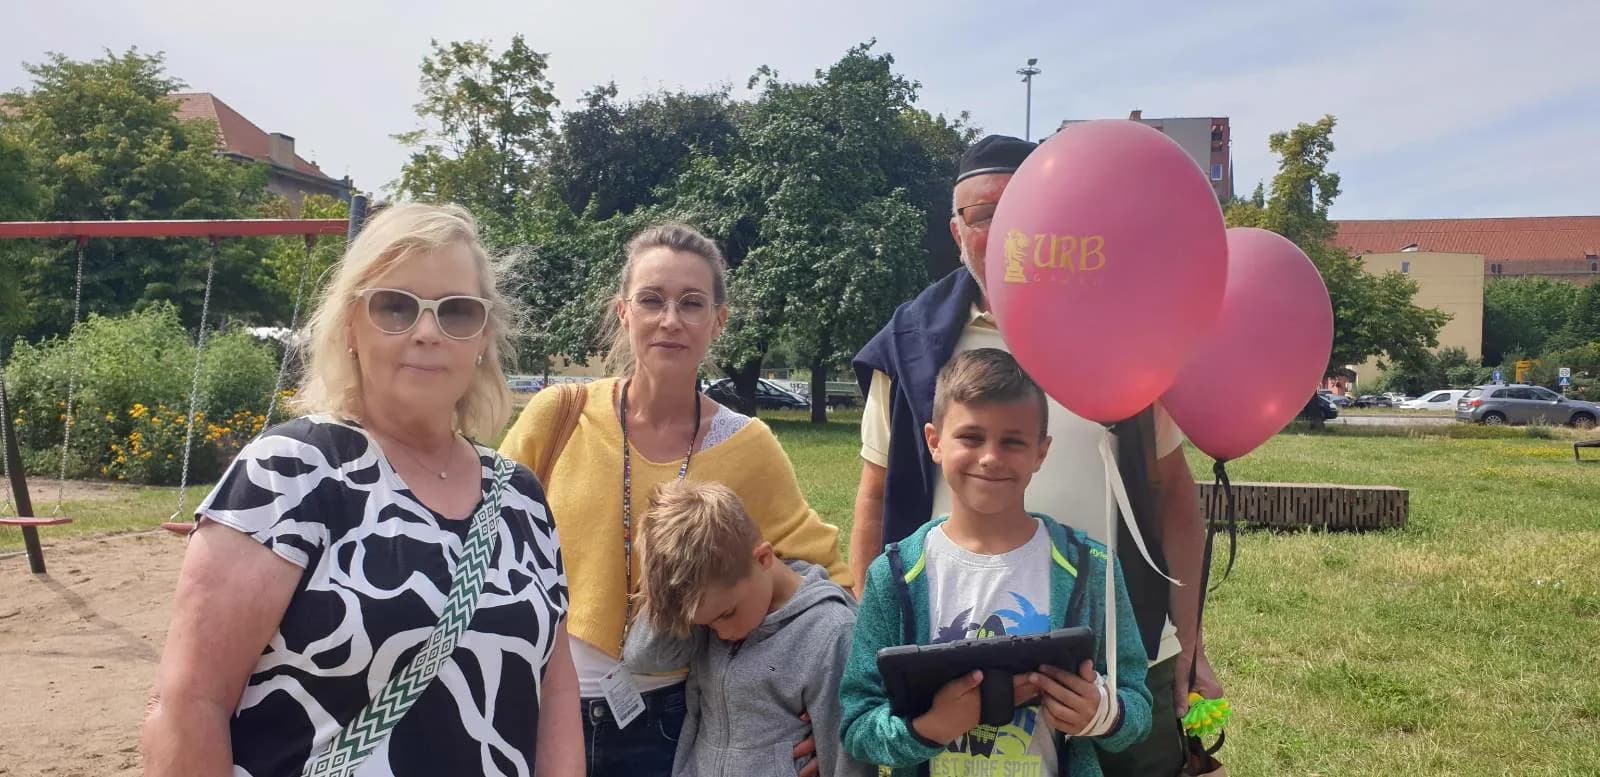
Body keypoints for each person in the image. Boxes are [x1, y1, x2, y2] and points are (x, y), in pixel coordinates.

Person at [141, 203, 582, 777]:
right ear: (351, 324)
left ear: (483, 339)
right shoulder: (290, 474)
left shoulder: (520, 497)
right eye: (395, 306)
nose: (428, 331)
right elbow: (189, 705)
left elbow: (557, 697)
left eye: (457, 312)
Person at [851, 135, 1221, 776]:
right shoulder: (914, 346)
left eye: (1016, 209)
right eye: (981, 214)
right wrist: (869, 640)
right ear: (956, 229)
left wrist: (1190, 640)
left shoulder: (1124, 336)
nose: (998, 231)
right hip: (953, 652)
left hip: (1120, 649)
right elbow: (874, 498)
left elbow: (1175, 497)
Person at [498, 223, 848, 777]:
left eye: (691, 303)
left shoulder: (745, 445)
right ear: (623, 312)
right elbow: (485, 542)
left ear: (718, 321)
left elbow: (829, 579)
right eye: (651, 300)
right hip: (544, 704)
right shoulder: (557, 416)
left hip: (673, 719)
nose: (670, 320)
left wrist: (816, 712)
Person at [840, 348, 1152, 777]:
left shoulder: (1091, 566)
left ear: (1040, 453)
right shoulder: (893, 576)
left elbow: (1135, 704)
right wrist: (932, 728)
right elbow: (858, 724)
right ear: (934, 442)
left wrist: (1100, 714)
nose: (990, 457)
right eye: (970, 437)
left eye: (1013, 442)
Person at [621, 480, 871, 777]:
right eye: (706, 623)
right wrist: (666, 588)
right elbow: (643, 656)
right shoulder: (715, 609)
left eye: (727, 614)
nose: (721, 633)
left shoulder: (829, 632)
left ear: (764, 558)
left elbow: (847, 756)